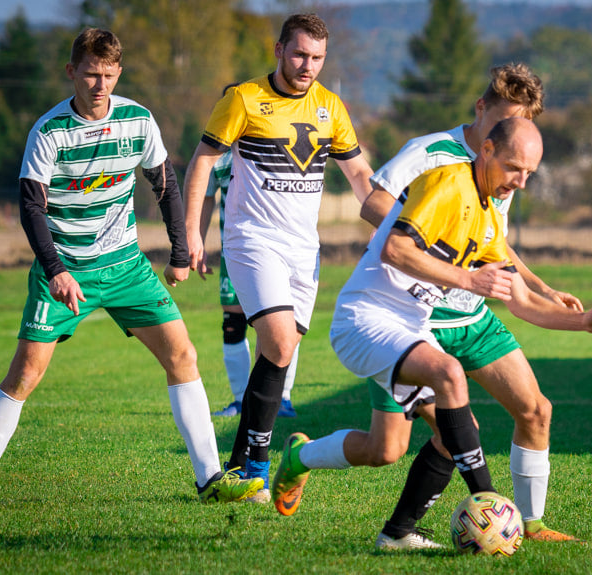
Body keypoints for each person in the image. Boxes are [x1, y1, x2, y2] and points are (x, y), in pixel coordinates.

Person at [271, 119, 592, 546]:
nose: (522, 182)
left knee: (418, 440)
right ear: (487, 149)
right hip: (366, 321)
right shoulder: (445, 183)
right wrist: (468, 280)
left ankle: (390, 529)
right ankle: (491, 508)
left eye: (530, 173)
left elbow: (522, 302)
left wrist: (584, 322)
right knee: (450, 376)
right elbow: (395, 248)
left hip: (409, 329)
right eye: (515, 167)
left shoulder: (490, 216)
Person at [0, 29, 262, 516]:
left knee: (182, 354)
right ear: (72, 72)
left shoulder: (138, 120)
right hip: (65, 271)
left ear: (119, 73)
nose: (100, 84)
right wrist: (55, 270)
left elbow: (165, 185)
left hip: (126, 266)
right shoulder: (49, 131)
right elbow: (31, 207)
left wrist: (179, 253)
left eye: (109, 75)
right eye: (91, 74)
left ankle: (209, 480)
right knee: (25, 374)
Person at [362, 63, 591, 549]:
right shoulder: (431, 153)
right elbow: (373, 205)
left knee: (535, 410)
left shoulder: (507, 170)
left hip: (474, 315)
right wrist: (427, 234)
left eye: (522, 126)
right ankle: (405, 527)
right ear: (481, 112)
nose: (512, 136)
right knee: (394, 447)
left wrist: (541, 288)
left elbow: (494, 243)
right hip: (418, 316)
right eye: (503, 124)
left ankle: (529, 526)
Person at [183, 13, 375, 503]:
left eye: (317, 58)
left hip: (302, 250)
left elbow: (359, 178)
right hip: (252, 241)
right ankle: (259, 471)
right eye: (299, 54)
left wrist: (396, 224)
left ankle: (237, 466)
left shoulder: (331, 107)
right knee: (280, 344)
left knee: (275, 354)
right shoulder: (243, 99)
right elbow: (203, 162)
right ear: (278, 49)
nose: (307, 65)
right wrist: (190, 235)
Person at [198, 151, 299, 419]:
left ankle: (282, 398)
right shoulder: (217, 153)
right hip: (236, 251)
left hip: (281, 253)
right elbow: (206, 196)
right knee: (233, 319)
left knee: (284, 322)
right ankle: (242, 399)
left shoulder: (276, 144)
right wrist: (196, 241)